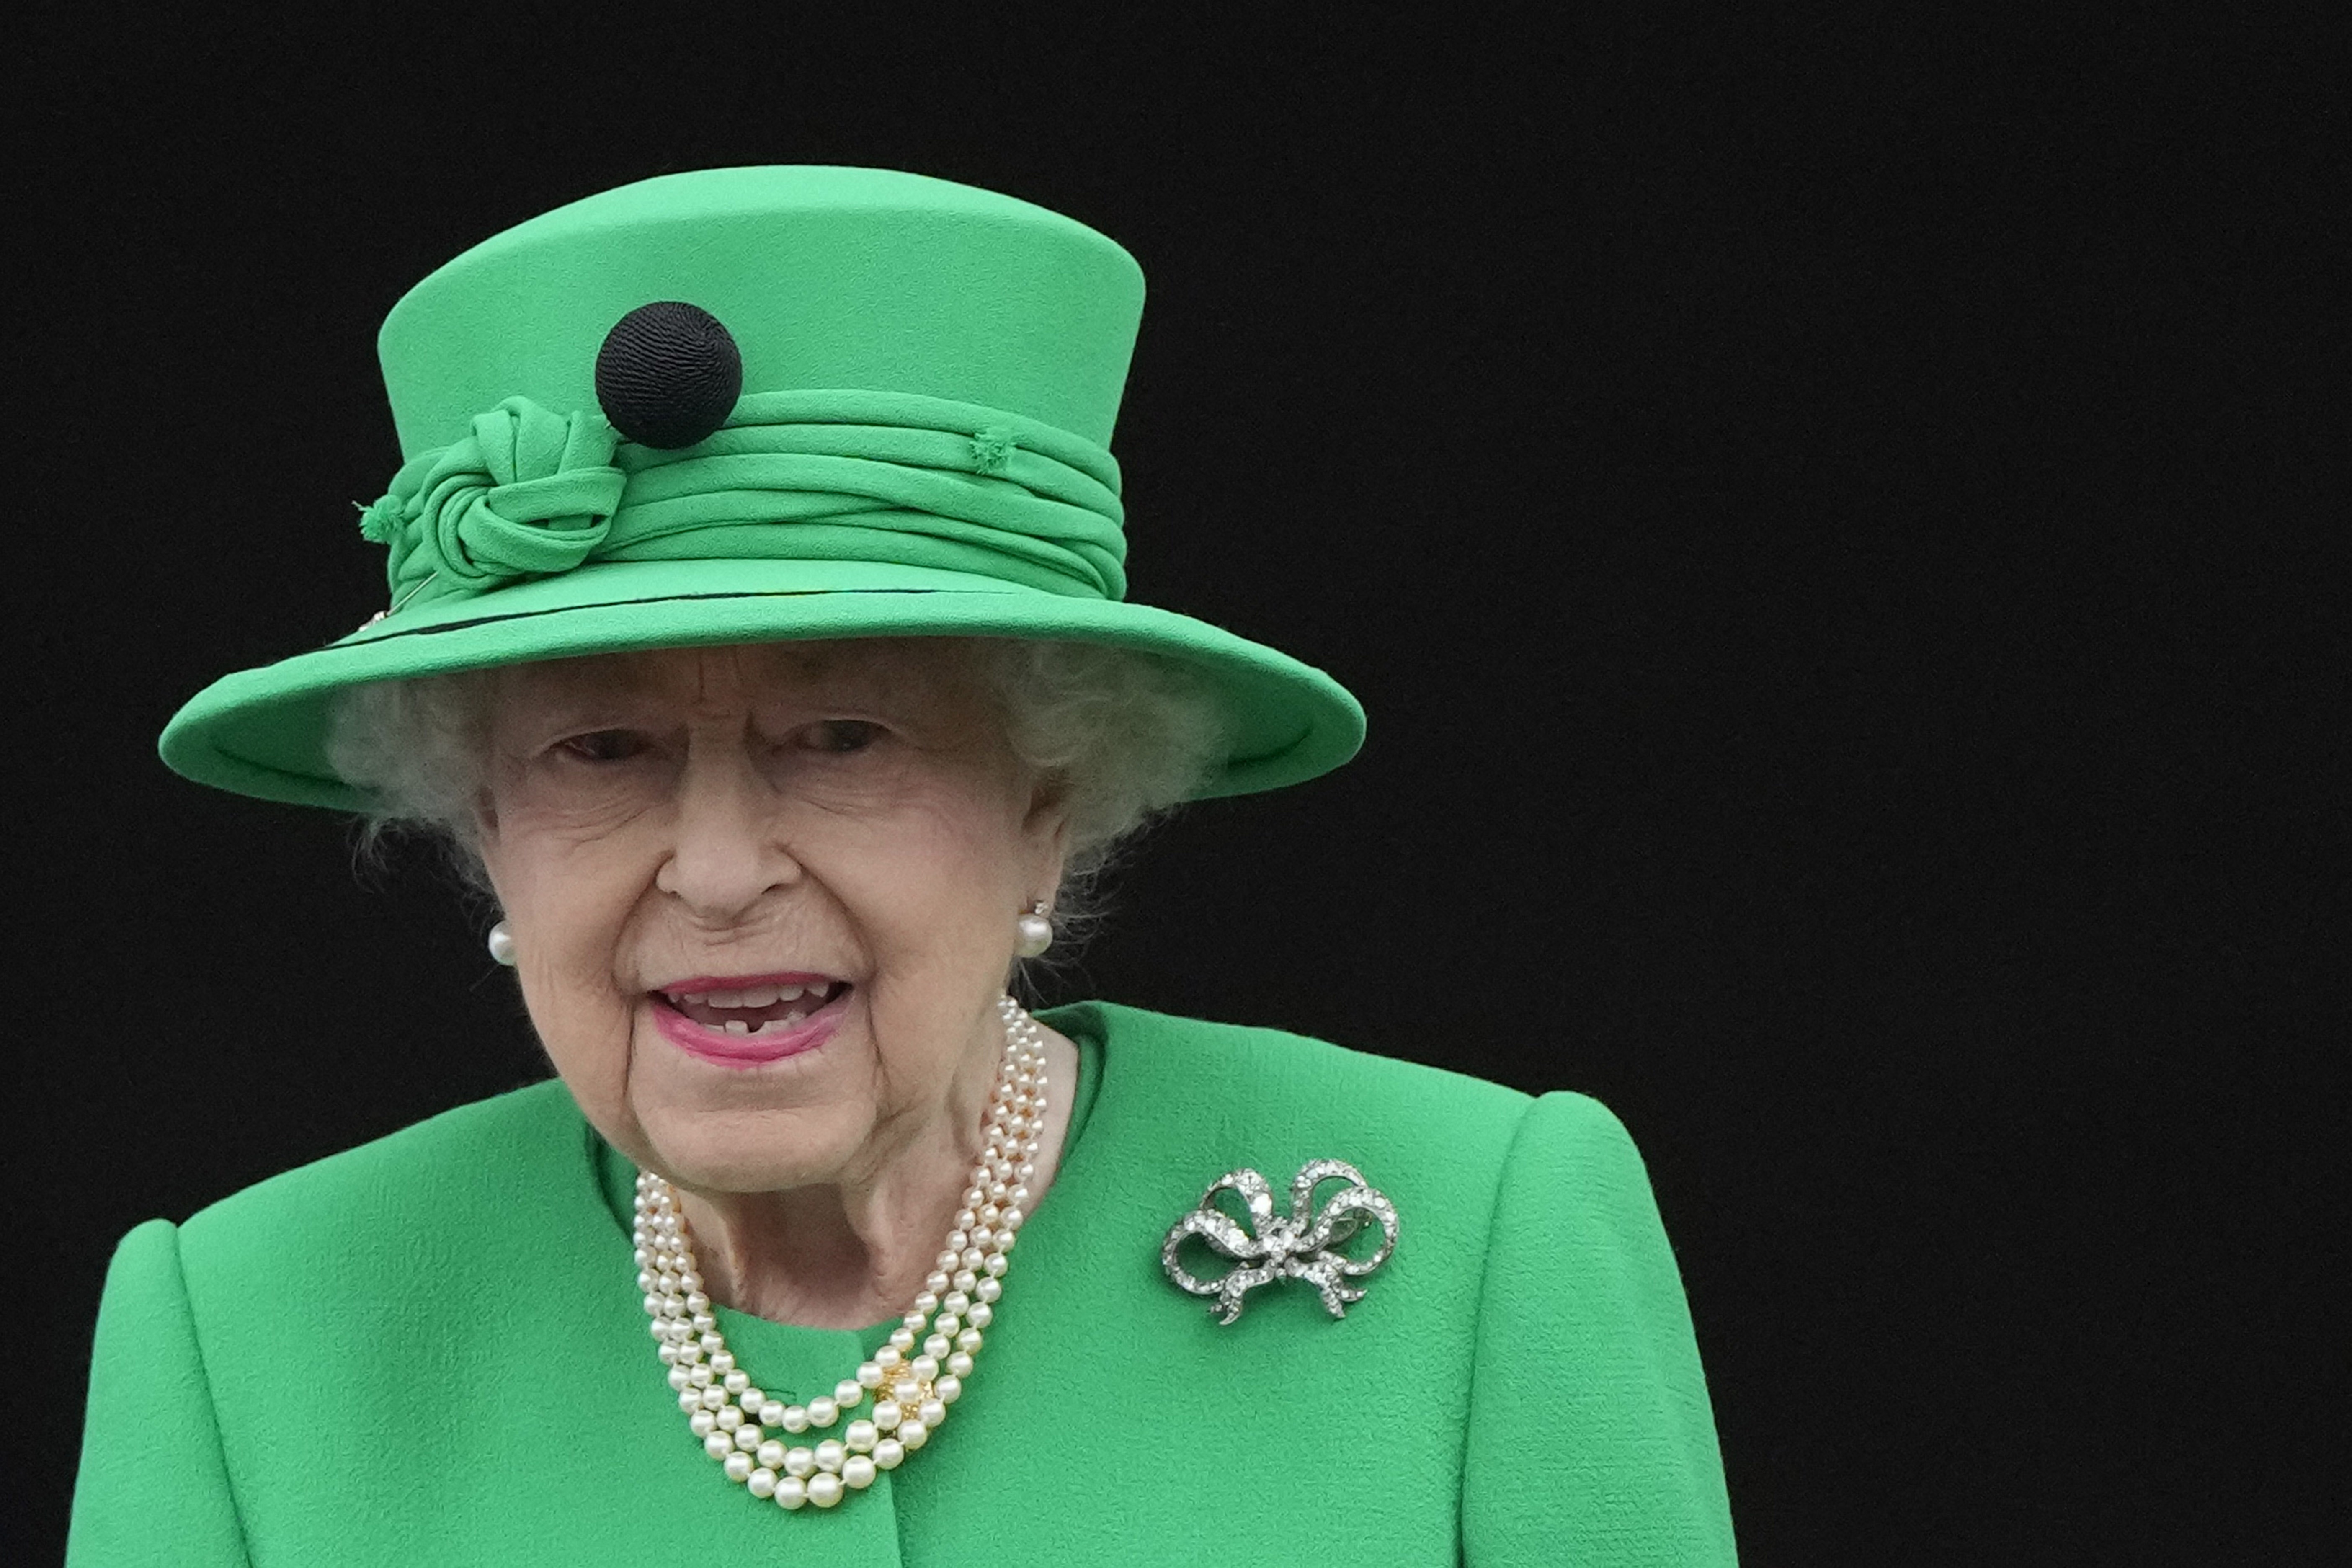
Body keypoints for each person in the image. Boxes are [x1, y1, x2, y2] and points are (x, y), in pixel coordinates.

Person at [69, 165, 1737, 1565]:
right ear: (485, 829)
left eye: (843, 738)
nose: (717, 872)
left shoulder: (1476, 1243)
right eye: (601, 751)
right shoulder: (248, 1338)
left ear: (1051, 799)